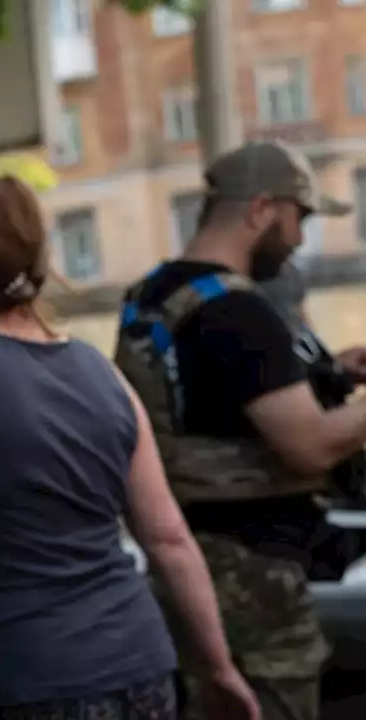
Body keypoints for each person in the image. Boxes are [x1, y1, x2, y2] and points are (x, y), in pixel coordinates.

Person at [0, 176, 259, 720]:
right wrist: (218, 668)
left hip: (27, 681)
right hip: (145, 670)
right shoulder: (101, 372)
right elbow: (169, 539)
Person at [113, 141, 366, 720]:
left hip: (184, 570)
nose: (300, 238)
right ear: (260, 210)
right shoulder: (239, 313)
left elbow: (203, 402)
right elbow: (311, 446)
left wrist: (324, 373)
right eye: (297, 217)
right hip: (254, 580)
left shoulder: (151, 297)